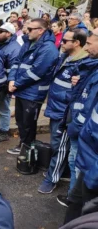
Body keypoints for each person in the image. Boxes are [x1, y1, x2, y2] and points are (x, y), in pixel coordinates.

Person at [38, 29, 92, 194]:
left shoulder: (82, 65)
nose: (61, 43)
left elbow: (78, 94)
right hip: (55, 108)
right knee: (57, 144)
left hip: (64, 112)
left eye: (65, 41)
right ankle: (60, 172)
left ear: (76, 43)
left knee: (60, 146)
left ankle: (52, 178)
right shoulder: (64, 57)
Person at [57, 28, 98, 206]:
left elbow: (89, 106)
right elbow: (79, 96)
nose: (86, 48)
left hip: (84, 134)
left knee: (79, 166)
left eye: (89, 43)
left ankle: (75, 202)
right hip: (80, 129)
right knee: (75, 162)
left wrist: (75, 126)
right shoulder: (90, 66)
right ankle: (73, 199)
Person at [7, 19, 59, 155]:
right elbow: (17, 62)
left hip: (34, 92)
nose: (26, 31)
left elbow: (37, 72)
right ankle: (24, 145)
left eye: (30, 29)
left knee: (28, 122)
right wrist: (12, 79)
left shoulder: (48, 48)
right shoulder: (28, 42)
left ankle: (27, 148)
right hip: (21, 89)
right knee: (20, 120)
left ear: (40, 30)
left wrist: (16, 83)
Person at [0, 23, 21, 142]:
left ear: (8, 33)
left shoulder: (14, 48)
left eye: (1, 31)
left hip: (4, 83)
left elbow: (13, 69)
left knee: (3, 107)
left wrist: (7, 85)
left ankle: (4, 131)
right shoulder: (1, 44)